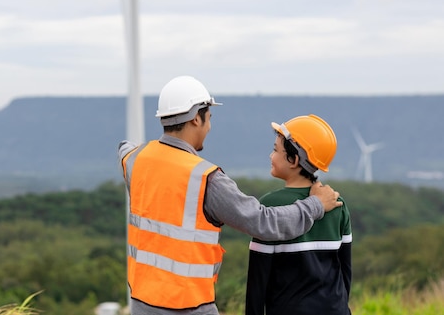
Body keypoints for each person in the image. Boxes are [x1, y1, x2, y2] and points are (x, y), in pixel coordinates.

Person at [118, 75, 343, 315]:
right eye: (209, 118)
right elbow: (264, 223)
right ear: (196, 118)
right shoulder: (207, 180)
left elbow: (123, 147)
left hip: (141, 303)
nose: (209, 126)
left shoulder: (134, 160)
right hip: (188, 306)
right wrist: (315, 205)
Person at [245, 115, 352, 315]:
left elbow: (258, 280)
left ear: (293, 160)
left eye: (276, 150)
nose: (271, 155)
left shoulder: (270, 205)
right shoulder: (338, 204)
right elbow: (345, 270)